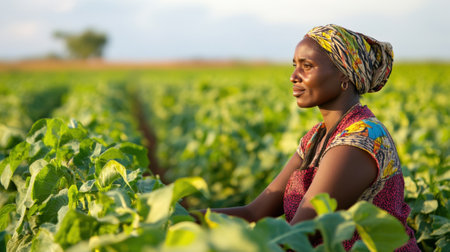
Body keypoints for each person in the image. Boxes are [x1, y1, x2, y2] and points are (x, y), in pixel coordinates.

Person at [198, 24, 419, 251]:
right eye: (295, 66)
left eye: (307, 66)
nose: (294, 76)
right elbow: (254, 212)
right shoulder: (316, 137)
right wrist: (177, 218)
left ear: (344, 74)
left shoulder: (360, 140)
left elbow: (299, 236)